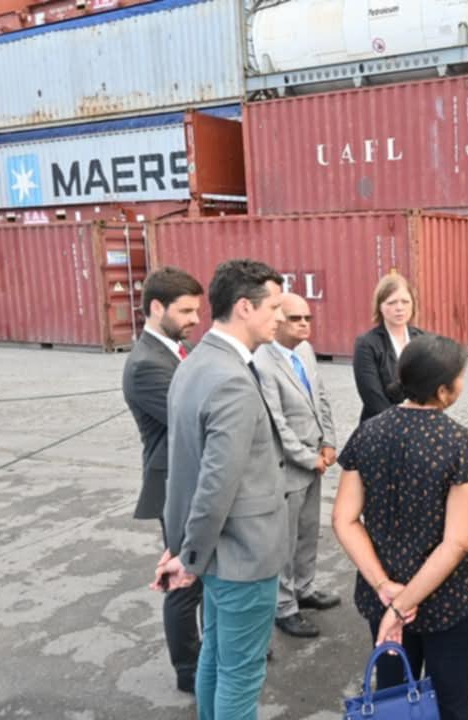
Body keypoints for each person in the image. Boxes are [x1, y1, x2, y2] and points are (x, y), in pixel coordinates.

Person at [155, 259, 288, 719]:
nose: (280, 316)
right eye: (274, 306)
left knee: (215, 656)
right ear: (245, 307)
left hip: (216, 554)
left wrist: (183, 548)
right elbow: (215, 482)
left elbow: (183, 468)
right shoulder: (231, 378)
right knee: (242, 674)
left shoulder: (196, 362)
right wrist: (188, 556)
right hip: (243, 556)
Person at [333, 334, 468, 720]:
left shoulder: (368, 433)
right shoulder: (462, 444)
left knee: (394, 699)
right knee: (451, 700)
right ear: (444, 391)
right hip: (450, 596)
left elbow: (344, 519)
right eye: (460, 376)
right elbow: (457, 543)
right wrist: (404, 607)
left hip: (384, 592)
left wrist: (386, 590)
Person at [121, 266, 204, 694]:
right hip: (177, 486)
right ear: (157, 307)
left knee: (205, 573)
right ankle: (188, 669)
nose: (195, 319)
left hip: (194, 477)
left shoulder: (178, 349)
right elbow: (193, 419)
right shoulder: (145, 365)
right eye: (186, 311)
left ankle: (215, 650)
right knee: (184, 580)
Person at [253, 292, 341, 640]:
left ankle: (304, 589)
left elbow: (321, 398)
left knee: (308, 532)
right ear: (277, 321)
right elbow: (276, 424)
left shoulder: (304, 351)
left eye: (307, 318)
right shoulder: (263, 362)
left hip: (315, 459)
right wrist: (309, 458)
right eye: (295, 318)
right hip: (289, 467)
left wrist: (329, 440)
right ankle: (284, 607)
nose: (304, 324)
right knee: (285, 542)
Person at [353, 273, 424, 424]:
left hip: (420, 424)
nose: (399, 308)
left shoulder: (423, 339)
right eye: (391, 303)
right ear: (379, 306)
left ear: (413, 304)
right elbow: (373, 397)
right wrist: (401, 425)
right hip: (381, 426)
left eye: (405, 301)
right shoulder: (366, 344)